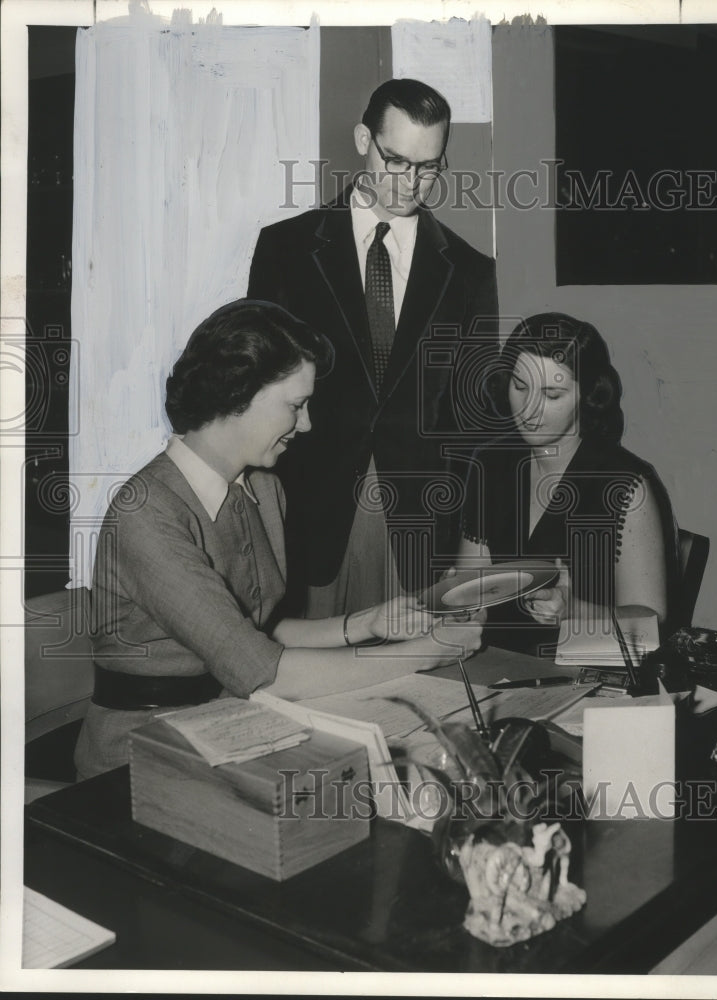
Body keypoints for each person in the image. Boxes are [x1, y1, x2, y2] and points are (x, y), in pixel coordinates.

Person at [74, 300, 483, 779]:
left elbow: (259, 630)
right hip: (138, 754)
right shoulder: (145, 512)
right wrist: (430, 650)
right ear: (237, 394)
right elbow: (263, 669)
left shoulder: (264, 490)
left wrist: (368, 623)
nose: (307, 424)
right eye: (295, 405)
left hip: (232, 724)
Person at [247, 78, 498, 617]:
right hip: (307, 514)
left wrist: (470, 543)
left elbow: (474, 424)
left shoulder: (473, 273)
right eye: (397, 161)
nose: (411, 183)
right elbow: (256, 391)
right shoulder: (285, 250)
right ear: (364, 138)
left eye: (428, 167)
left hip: (422, 531)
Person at [456, 312, 679, 655]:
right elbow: (473, 587)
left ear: (588, 396)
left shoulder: (626, 487)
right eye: (520, 386)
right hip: (498, 664)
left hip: (585, 672)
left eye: (553, 394)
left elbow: (650, 629)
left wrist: (574, 611)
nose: (529, 410)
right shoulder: (491, 464)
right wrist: (456, 598)